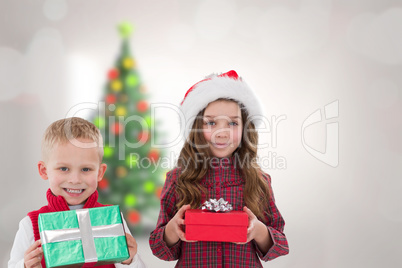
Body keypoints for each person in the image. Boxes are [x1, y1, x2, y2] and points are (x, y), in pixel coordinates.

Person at [149, 70, 289, 267]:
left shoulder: (258, 180)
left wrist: (259, 231)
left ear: (245, 129)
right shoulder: (178, 179)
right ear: (196, 127)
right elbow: (159, 248)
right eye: (211, 123)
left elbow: (281, 244)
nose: (221, 133)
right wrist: (173, 230)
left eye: (232, 123)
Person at [8, 117, 146, 268]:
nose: (75, 179)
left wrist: (129, 260)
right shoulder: (30, 224)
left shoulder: (113, 220)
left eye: (86, 169)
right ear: (44, 170)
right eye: (64, 169)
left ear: (100, 173)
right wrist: (25, 265)